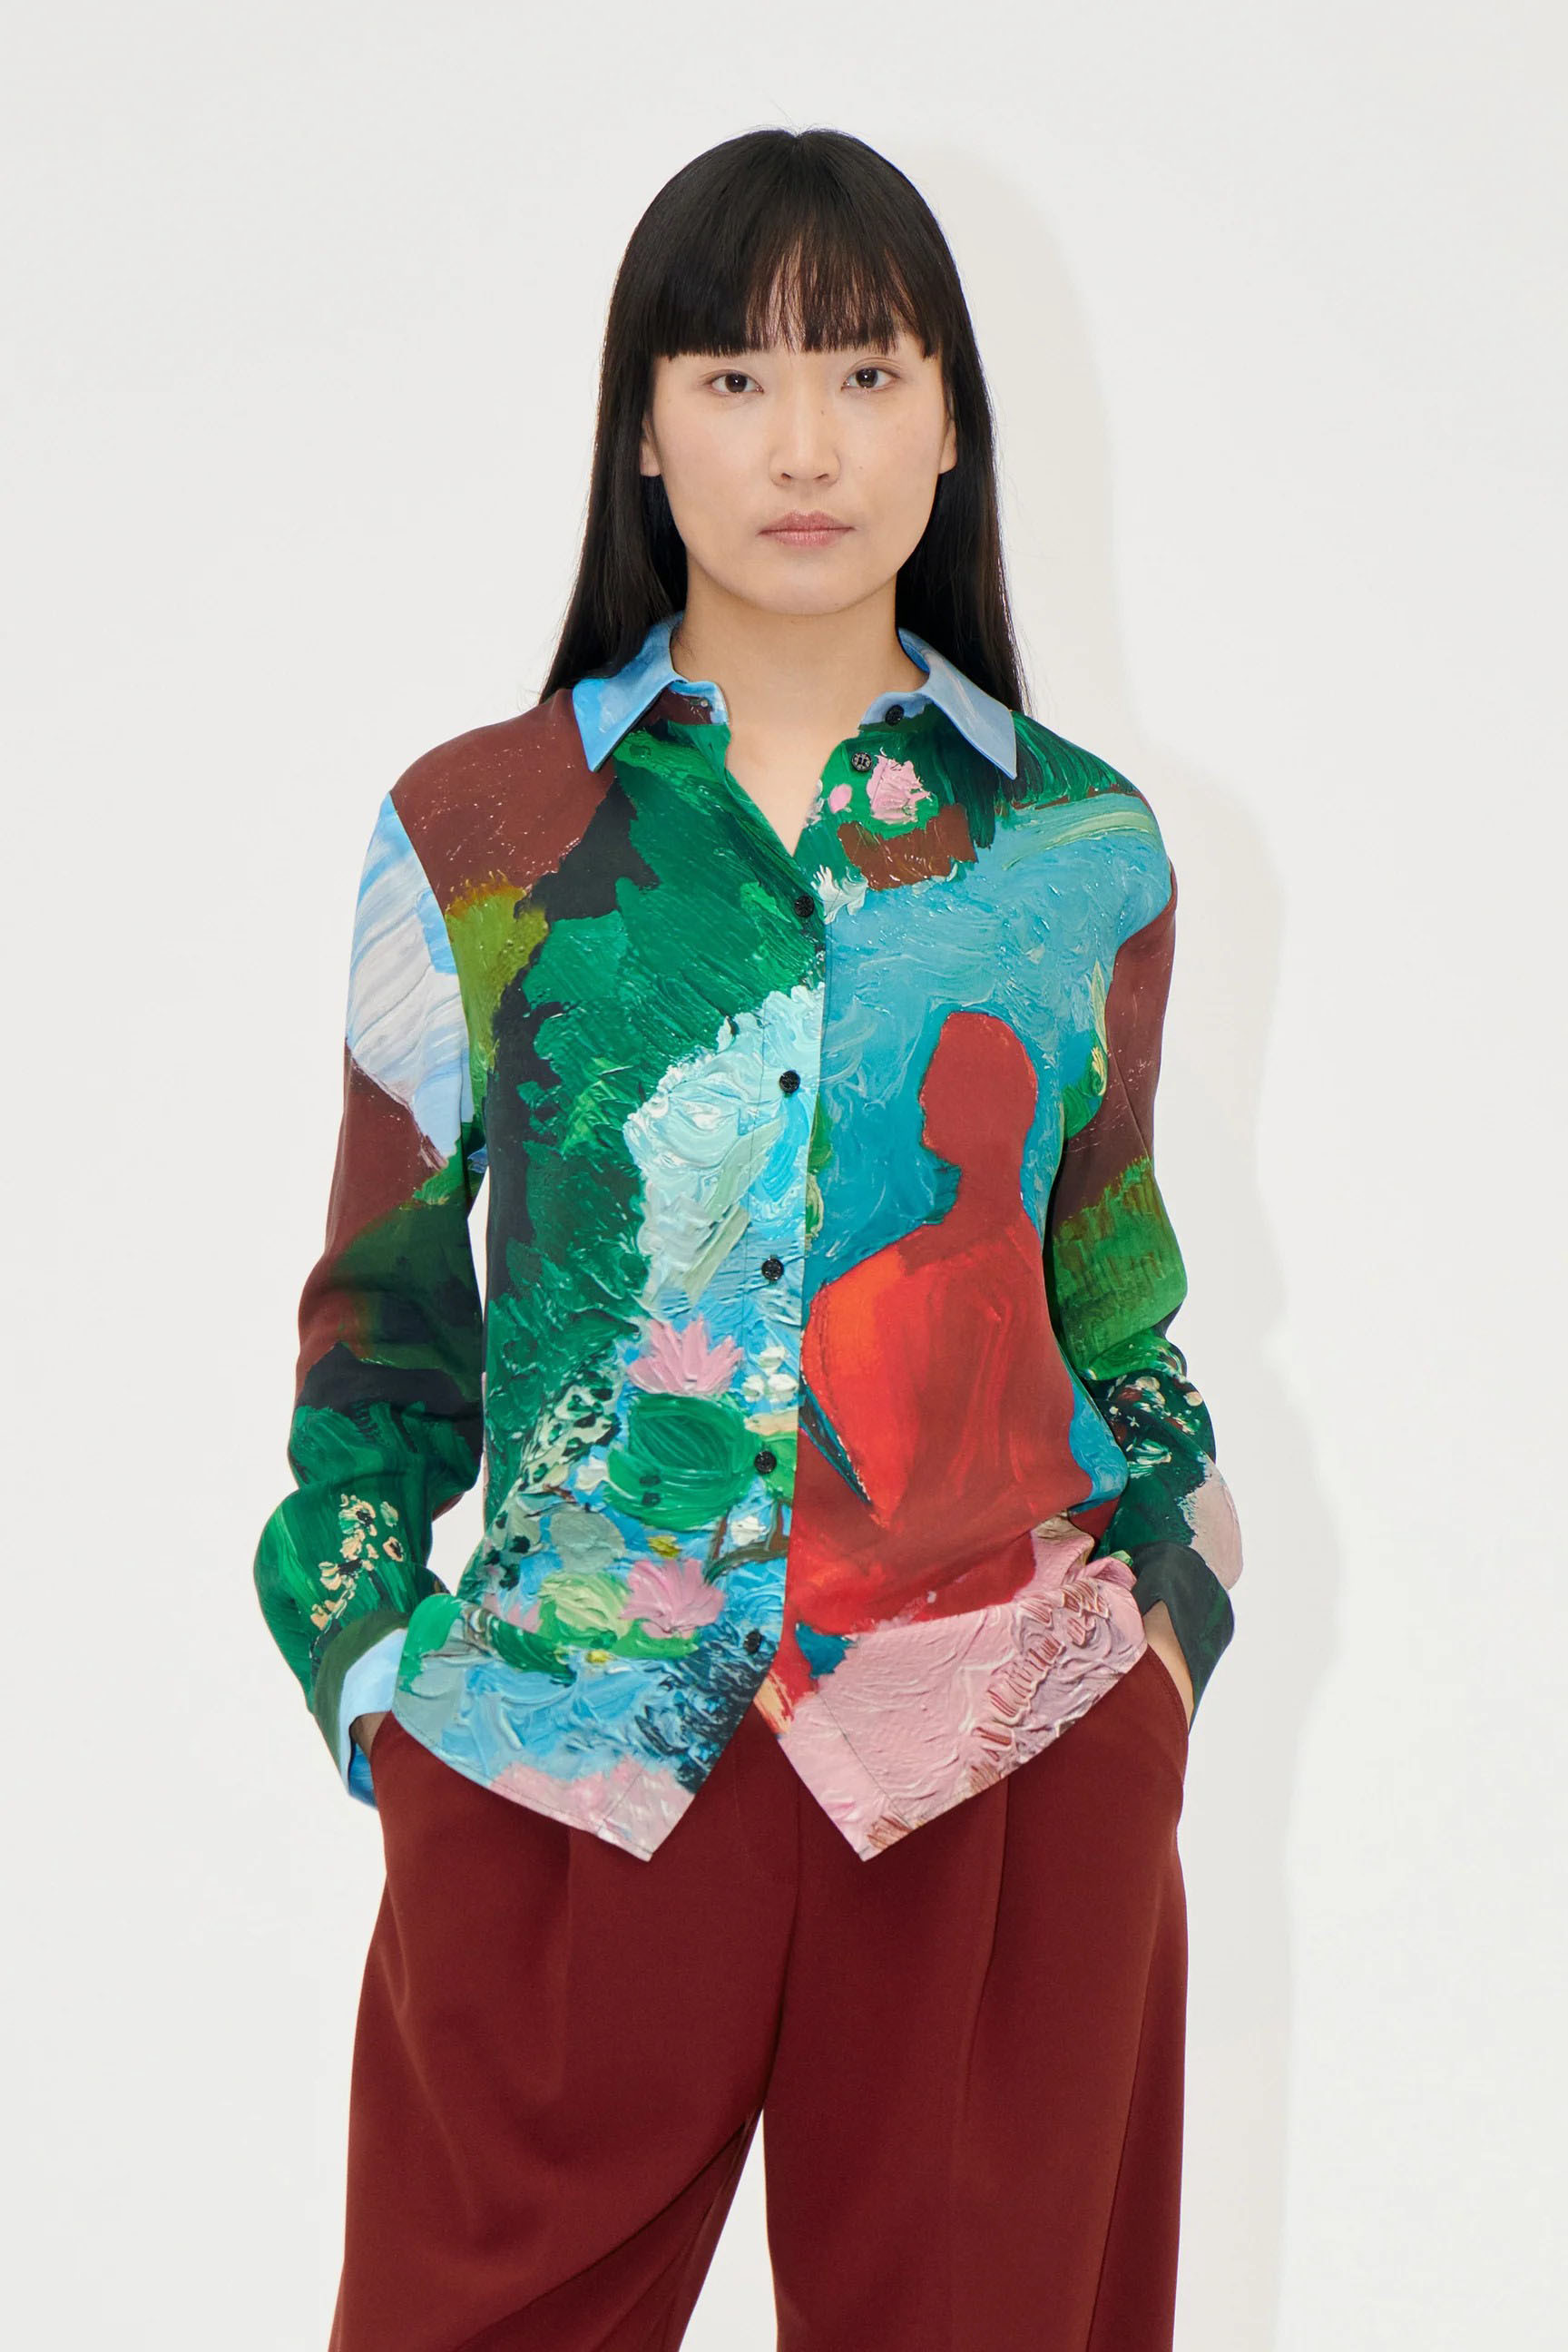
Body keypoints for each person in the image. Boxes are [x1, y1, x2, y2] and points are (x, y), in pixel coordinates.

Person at [253, 124, 1243, 2352]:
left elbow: (1115, 1310)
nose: (806, 445)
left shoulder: (1078, 851)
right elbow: (379, 1332)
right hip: (567, 1755)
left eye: (868, 373)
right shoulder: (481, 837)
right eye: (735, 377)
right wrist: (376, 1681)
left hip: (998, 1747)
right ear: (644, 425)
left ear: (952, 421)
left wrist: (1166, 1635)